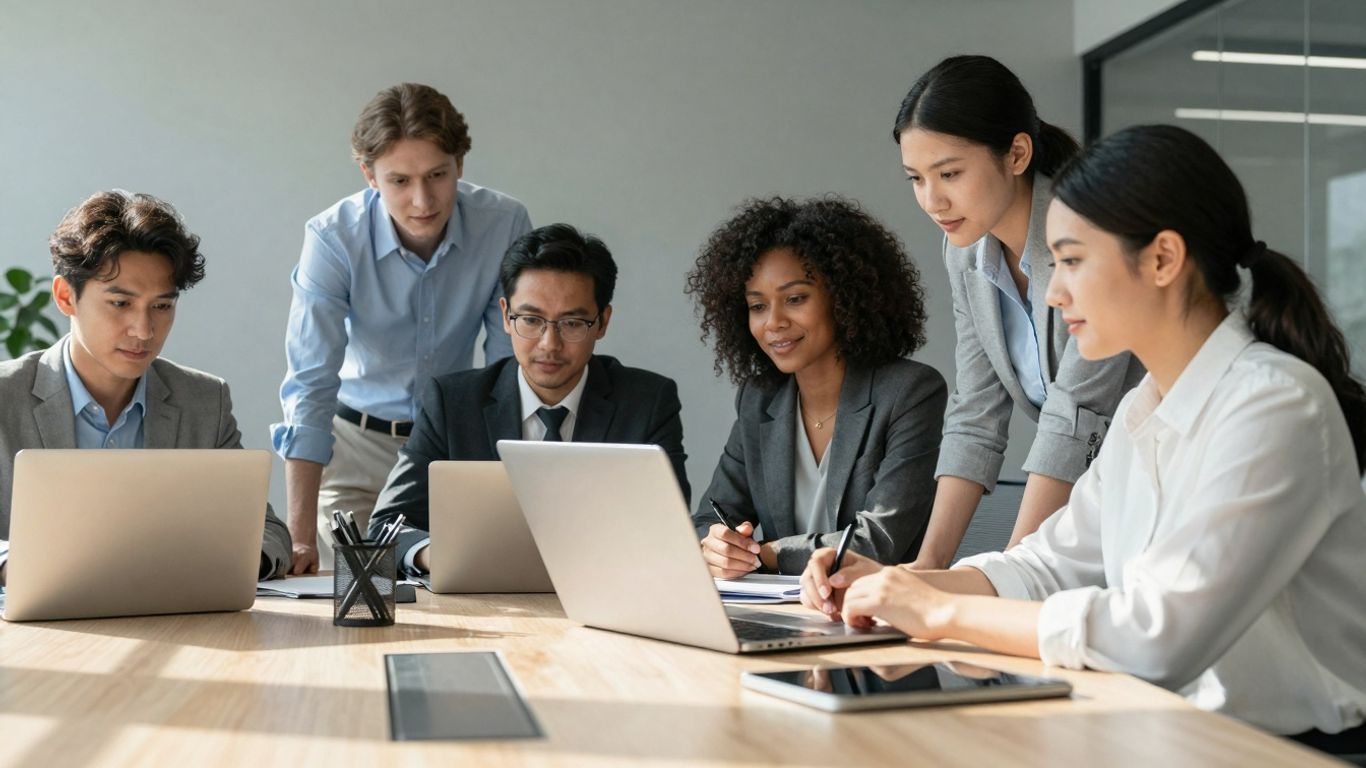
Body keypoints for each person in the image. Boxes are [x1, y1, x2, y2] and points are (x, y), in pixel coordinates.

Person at [802, 125, 1366, 751]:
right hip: (1162, 737)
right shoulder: (1139, 411)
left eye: (1071, 260)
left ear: (1162, 259)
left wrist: (941, 614)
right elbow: (1047, 565)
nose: (1052, 291)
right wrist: (906, 587)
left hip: (1285, 752)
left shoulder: (1274, 404)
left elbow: (1160, 636)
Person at [893, 55, 1143, 568]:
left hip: (1165, 481)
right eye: (916, 178)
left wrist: (1009, 573)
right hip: (1105, 498)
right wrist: (928, 566)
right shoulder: (963, 252)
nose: (932, 200)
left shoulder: (1091, 232)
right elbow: (975, 413)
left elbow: (1075, 414)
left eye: (950, 173)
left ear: (1017, 154)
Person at [272, 83, 531, 574]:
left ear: (460, 163)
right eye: (399, 181)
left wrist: (506, 497)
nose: (422, 200)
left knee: (470, 593)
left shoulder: (504, 224)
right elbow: (310, 384)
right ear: (369, 175)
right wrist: (299, 538)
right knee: (352, 599)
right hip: (355, 448)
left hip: (454, 446)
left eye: (437, 175)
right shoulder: (332, 239)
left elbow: (508, 368)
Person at [0, 190, 293, 584]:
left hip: (172, 621)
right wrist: (14, 564)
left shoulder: (203, 401)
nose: (144, 331)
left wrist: (226, 563)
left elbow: (268, 530)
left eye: (162, 306)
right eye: (121, 304)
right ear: (66, 297)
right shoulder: (6, 396)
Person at [367, 223, 689, 574]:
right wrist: (438, 555)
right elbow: (386, 526)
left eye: (572, 323)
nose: (549, 343)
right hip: (483, 601)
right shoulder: (453, 402)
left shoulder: (647, 402)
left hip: (606, 595)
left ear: (602, 322)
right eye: (532, 319)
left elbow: (669, 530)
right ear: (506, 315)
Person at [685, 196, 947, 577]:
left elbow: (878, 543)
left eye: (794, 299)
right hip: (782, 615)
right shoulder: (759, 399)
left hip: (877, 616)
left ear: (843, 298)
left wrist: (764, 552)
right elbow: (708, 519)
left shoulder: (910, 392)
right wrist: (715, 546)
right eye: (757, 306)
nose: (773, 322)